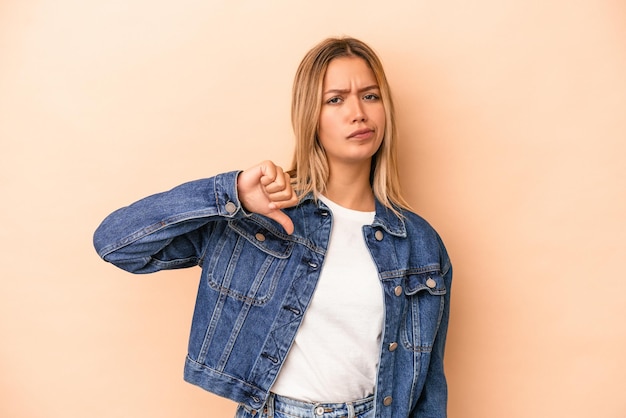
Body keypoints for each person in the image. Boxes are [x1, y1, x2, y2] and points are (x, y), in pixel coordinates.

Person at [94, 36, 452, 418]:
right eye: (335, 99)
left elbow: (428, 389)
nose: (358, 113)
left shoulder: (420, 244)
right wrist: (230, 194)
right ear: (309, 115)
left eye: (370, 96)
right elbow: (116, 243)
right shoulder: (261, 217)